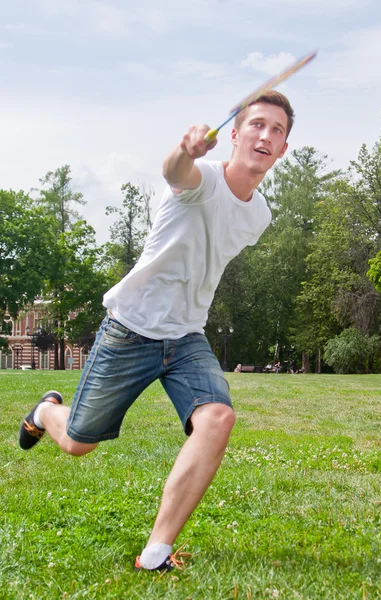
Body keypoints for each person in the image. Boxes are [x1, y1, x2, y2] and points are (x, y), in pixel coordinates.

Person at [19, 90, 294, 572]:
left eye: (277, 130)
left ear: (284, 148)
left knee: (217, 419)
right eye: (257, 125)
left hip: (186, 336)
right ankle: (46, 411)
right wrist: (183, 152)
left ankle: (156, 551)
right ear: (234, 134)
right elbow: (175, 174)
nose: (265, 135)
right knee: (79, 441)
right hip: (131, 328)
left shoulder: (260, 215)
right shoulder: (202, 179)